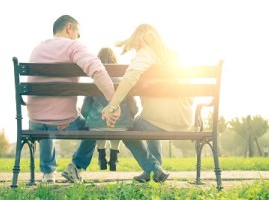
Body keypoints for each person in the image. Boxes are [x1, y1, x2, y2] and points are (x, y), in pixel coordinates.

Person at [27, 15, 115, 183]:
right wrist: (113, 102)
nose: (78, 38)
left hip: (35, 120)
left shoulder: (37, 49)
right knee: (95, 128)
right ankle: (75, 167)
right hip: (63, 120)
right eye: (78, 34)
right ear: (69, 28)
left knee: (46, 123)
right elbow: (97, 69)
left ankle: (48, 173)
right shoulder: (72, 46)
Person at [102, 24, 193, 182]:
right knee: (147, 118)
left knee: (127, 129)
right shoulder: (172, 55)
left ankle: (152, 168)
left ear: (139, 41)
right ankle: (154, 169)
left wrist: (112, 105)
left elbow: (130, 76)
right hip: (184, 120)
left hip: (160, 120)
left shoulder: (146, 52)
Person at [81, 47, 138, 171]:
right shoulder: (124, 82)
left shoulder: (95, 82)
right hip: (121, 126)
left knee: (99, 126)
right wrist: (130, 116)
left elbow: (84, 109)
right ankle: (113, 159)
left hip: (96, 125)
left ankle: (101, 156)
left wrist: (88, 118)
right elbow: (134, 108)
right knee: (117, 125)